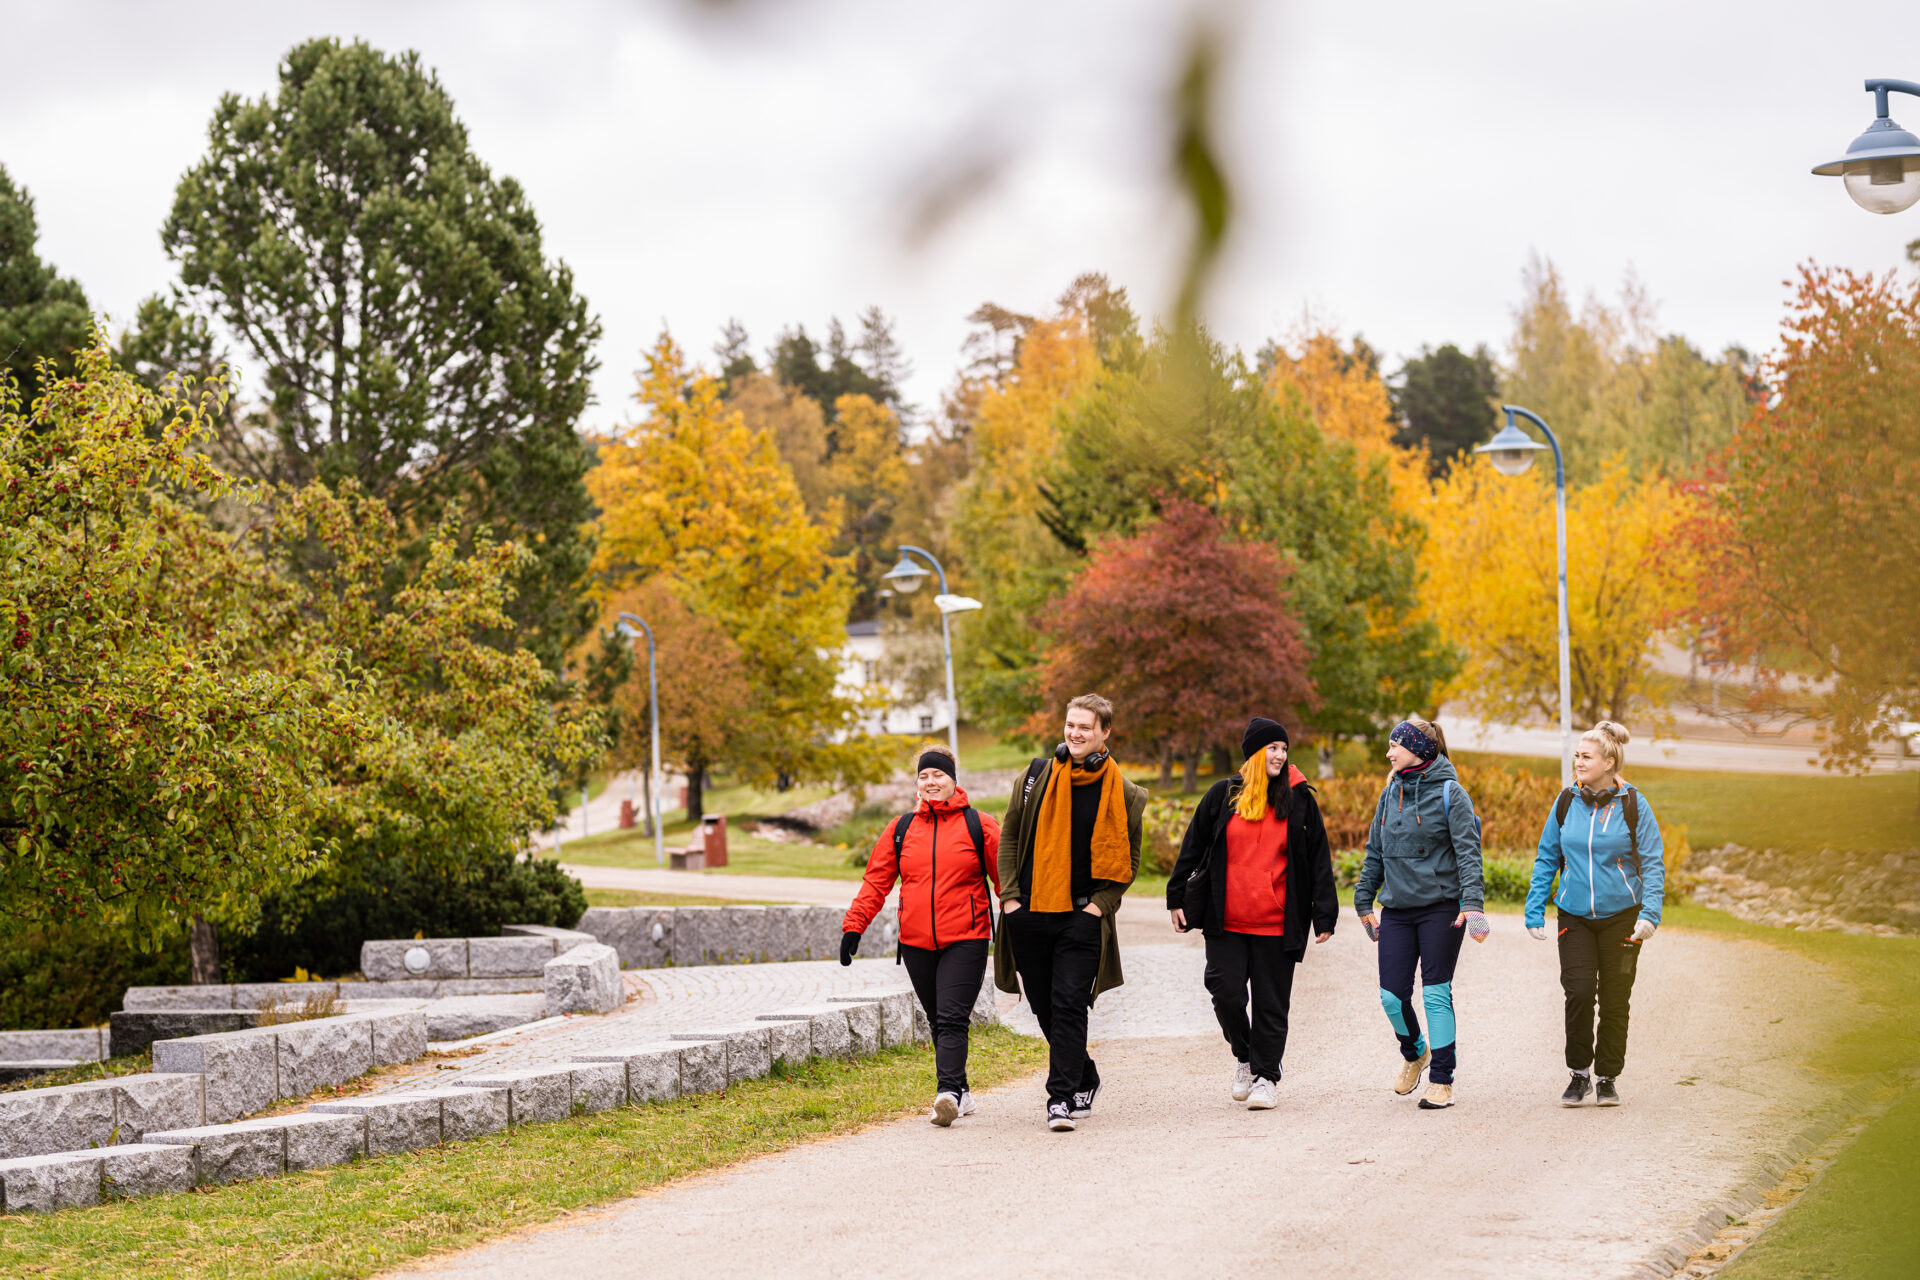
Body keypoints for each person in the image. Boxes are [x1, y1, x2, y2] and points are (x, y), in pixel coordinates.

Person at [1165, 717, 1338, 1110]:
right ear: (1254, 753)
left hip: (1277, 924)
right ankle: (1244, 1057)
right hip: (1226, 920)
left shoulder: (1299, 799)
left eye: (1283, 748)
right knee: (1224, 992)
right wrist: (1176, 896)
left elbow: (1318, 860)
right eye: (1272, 748)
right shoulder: (1222, 795)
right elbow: (1192, 847)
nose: (1279, 755)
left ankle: (1265, 1076)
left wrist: (1324, 914)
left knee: (1271, 1005)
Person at [994, 693, 1146, 1132]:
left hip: (1081, 918)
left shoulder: (1124, 792)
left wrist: (1099, 907)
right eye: (1070, 725)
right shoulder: (1035, 776)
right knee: (1043, 1006)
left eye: (1085, 727)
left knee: (1068, 1005)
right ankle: (1085, 1074)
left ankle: (1058, 1099)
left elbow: (1128, 863)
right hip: (1030, 912)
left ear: (1104, 733)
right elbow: (1009, 838)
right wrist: (1010, 899)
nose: (1075, 733)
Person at [841, 744, 1002, 1127]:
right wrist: (854, 926)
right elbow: (875, 883)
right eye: (924, 776)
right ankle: (961, 1091)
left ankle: (946, 1092)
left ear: (953, 780)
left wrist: (1023, 923)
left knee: (951, 1017)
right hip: (915, 942)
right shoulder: (901, 829)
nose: (931, 782)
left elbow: (1006, 882)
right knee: (935, 1017)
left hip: (967, 936)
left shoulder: (980, 825)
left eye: (939, 775)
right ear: (918, 783)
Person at [1524, 721, 1666, 1108]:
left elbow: (1653, 863)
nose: (1578, 762)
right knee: (1580, 992)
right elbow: (1547, 856)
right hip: (1575, 917)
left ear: (1609, 761)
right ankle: (1579, 1074)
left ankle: (1607, 1077)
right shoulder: (1567, 800)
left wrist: (1650, 914)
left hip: (1623, 916)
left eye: (1586, 756)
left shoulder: (1634, 804)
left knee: (1616, 998)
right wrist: (1535, 908)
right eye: (1577, 755)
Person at [1353, 716, 1489, 1110]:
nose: (1388, 752)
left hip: (1442, 909)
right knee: (1391, 997)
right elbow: (1374, 850)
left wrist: (1474, 906)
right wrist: (1364, 902)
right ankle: (1415, 1053)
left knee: (1435, 994)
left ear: (1419, 750)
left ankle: (1442, 1079)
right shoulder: (1388, 791)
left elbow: (1468, 853)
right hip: (1396, 909)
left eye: (1395, 745)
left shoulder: (1451, 793)